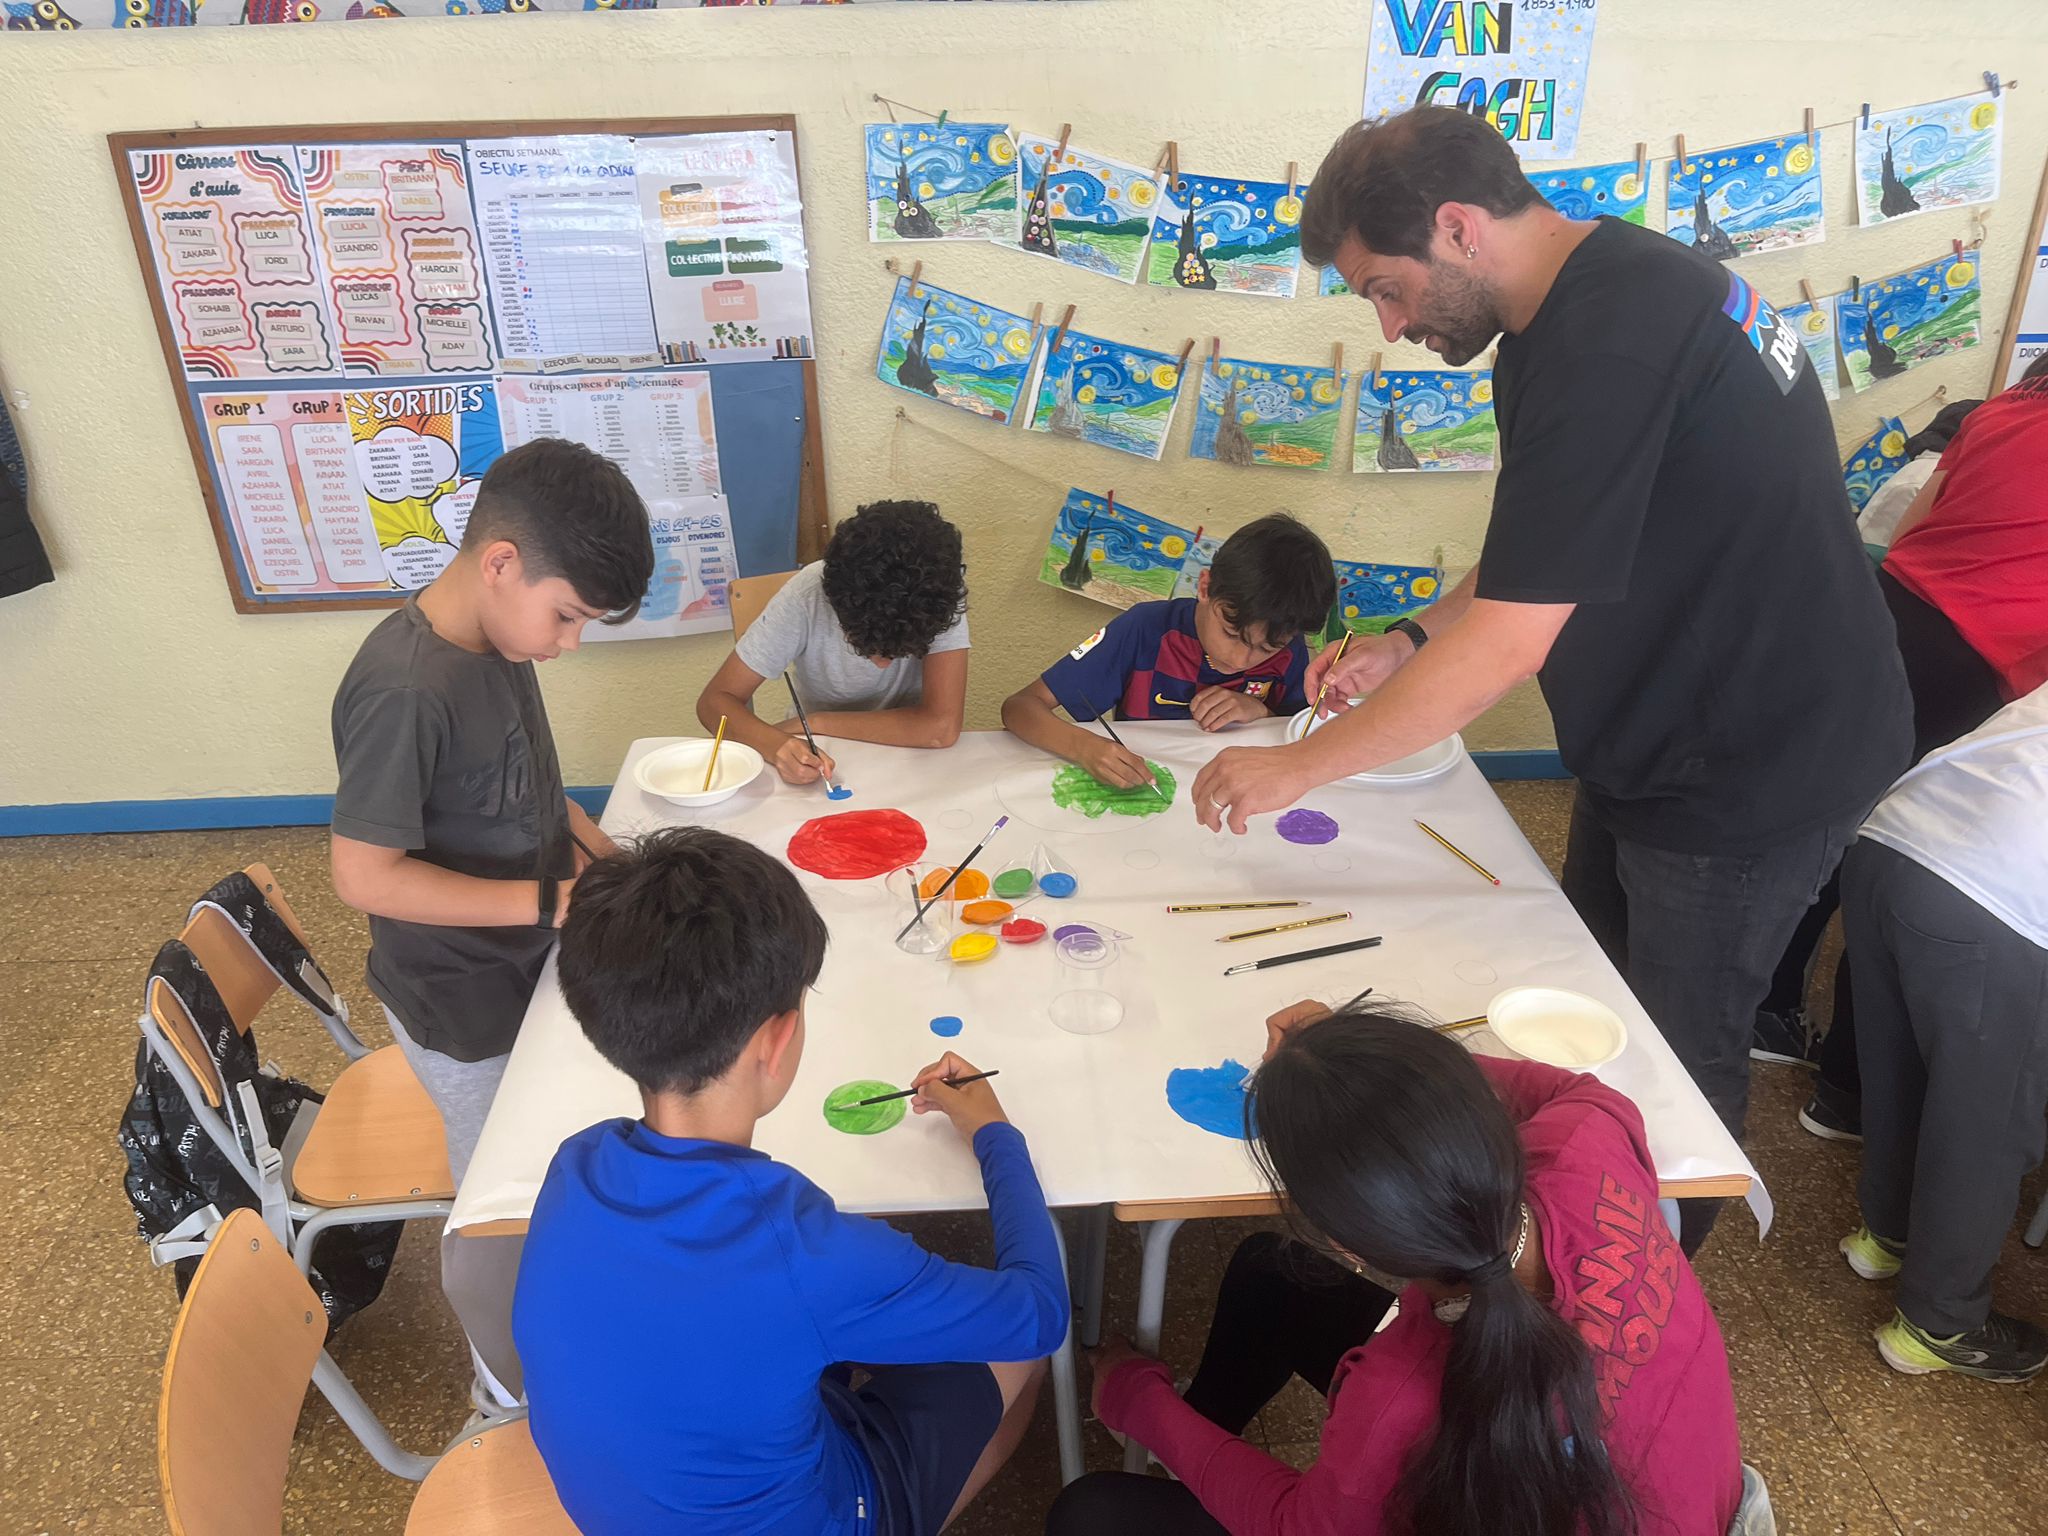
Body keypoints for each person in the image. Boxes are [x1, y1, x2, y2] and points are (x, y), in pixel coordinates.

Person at [1189, 107, 1911, 1249]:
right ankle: (1575, 1233)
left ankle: (1636, 1301)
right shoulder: (1580, 298)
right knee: (1589, 1000)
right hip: (1665, 729)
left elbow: (1511, 643)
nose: (1389, 326)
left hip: (1753, 761)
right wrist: (1411, 636)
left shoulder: (1606, 343)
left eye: (1386, 289)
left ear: (1457, 227)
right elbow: (1545, 544)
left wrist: (1299, 768)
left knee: (1672, 1063)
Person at [513, 826, 1068, 1535]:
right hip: (813, 1513)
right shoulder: (804, 1251)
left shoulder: (576, 1163)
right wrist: (994, 1132)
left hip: (625, 1508)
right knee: (1023, 1359)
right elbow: (1040, 1311)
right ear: (774, 1041)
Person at [1049, 1003, 1744, 1536]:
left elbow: (1293, 1523)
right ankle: (1190, 1442)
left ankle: (1172, 1437)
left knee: (1091, 1512)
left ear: (1347, 1246)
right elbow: (1573, 1090)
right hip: (1685, 1501)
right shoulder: (1587, 1145)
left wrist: (1137, 1398)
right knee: (1271, 1277)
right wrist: (1386, 1087)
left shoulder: (1395, 1401)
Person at [329, 436, 653, 1187]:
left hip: (528, 962)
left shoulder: (498, 641)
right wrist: (550, 902)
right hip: (462, 1002)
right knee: (500, 1186)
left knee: (557, 1141)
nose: (569, 644)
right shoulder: (407, 692)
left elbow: (527, 789)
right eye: (566, 616)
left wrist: (615, 864)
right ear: (501, 563)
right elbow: (363, 877)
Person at [1761, 355, 2048, 1140]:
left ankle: (1768, 1006)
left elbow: (1913, 528)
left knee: (1834, 822)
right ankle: (1845, 1089)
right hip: (1971, 662)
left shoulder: (1999, 413)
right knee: (1900, 852)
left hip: (1886, 611)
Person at [1835, 683, 2048, 1382]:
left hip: (1894, 841)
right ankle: (1940, 1322)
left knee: (1898, 1065)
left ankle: (1886, 1235)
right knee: (1987, 1123)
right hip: (1998, 895)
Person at [1003, 513, 1336, 790]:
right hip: (1147, 790)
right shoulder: (1144, 629)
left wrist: (1260, 712)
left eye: (1267, 648)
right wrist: (1084, 747)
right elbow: (1020, 708)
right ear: (1204, 587)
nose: (1240, 660)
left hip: (1237, 796)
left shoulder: (1290, 647)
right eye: (1231, 633)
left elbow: (1304, 735)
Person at [697, 498, 970, 785]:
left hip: (909, 755)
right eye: (866, 646)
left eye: (901, 651)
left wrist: (818, 722)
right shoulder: (807, 595)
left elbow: (940, 727)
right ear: (837, 605)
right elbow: (714, 702)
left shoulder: (935, 594)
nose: (882, 664)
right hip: (820, 753)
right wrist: (775, 745)